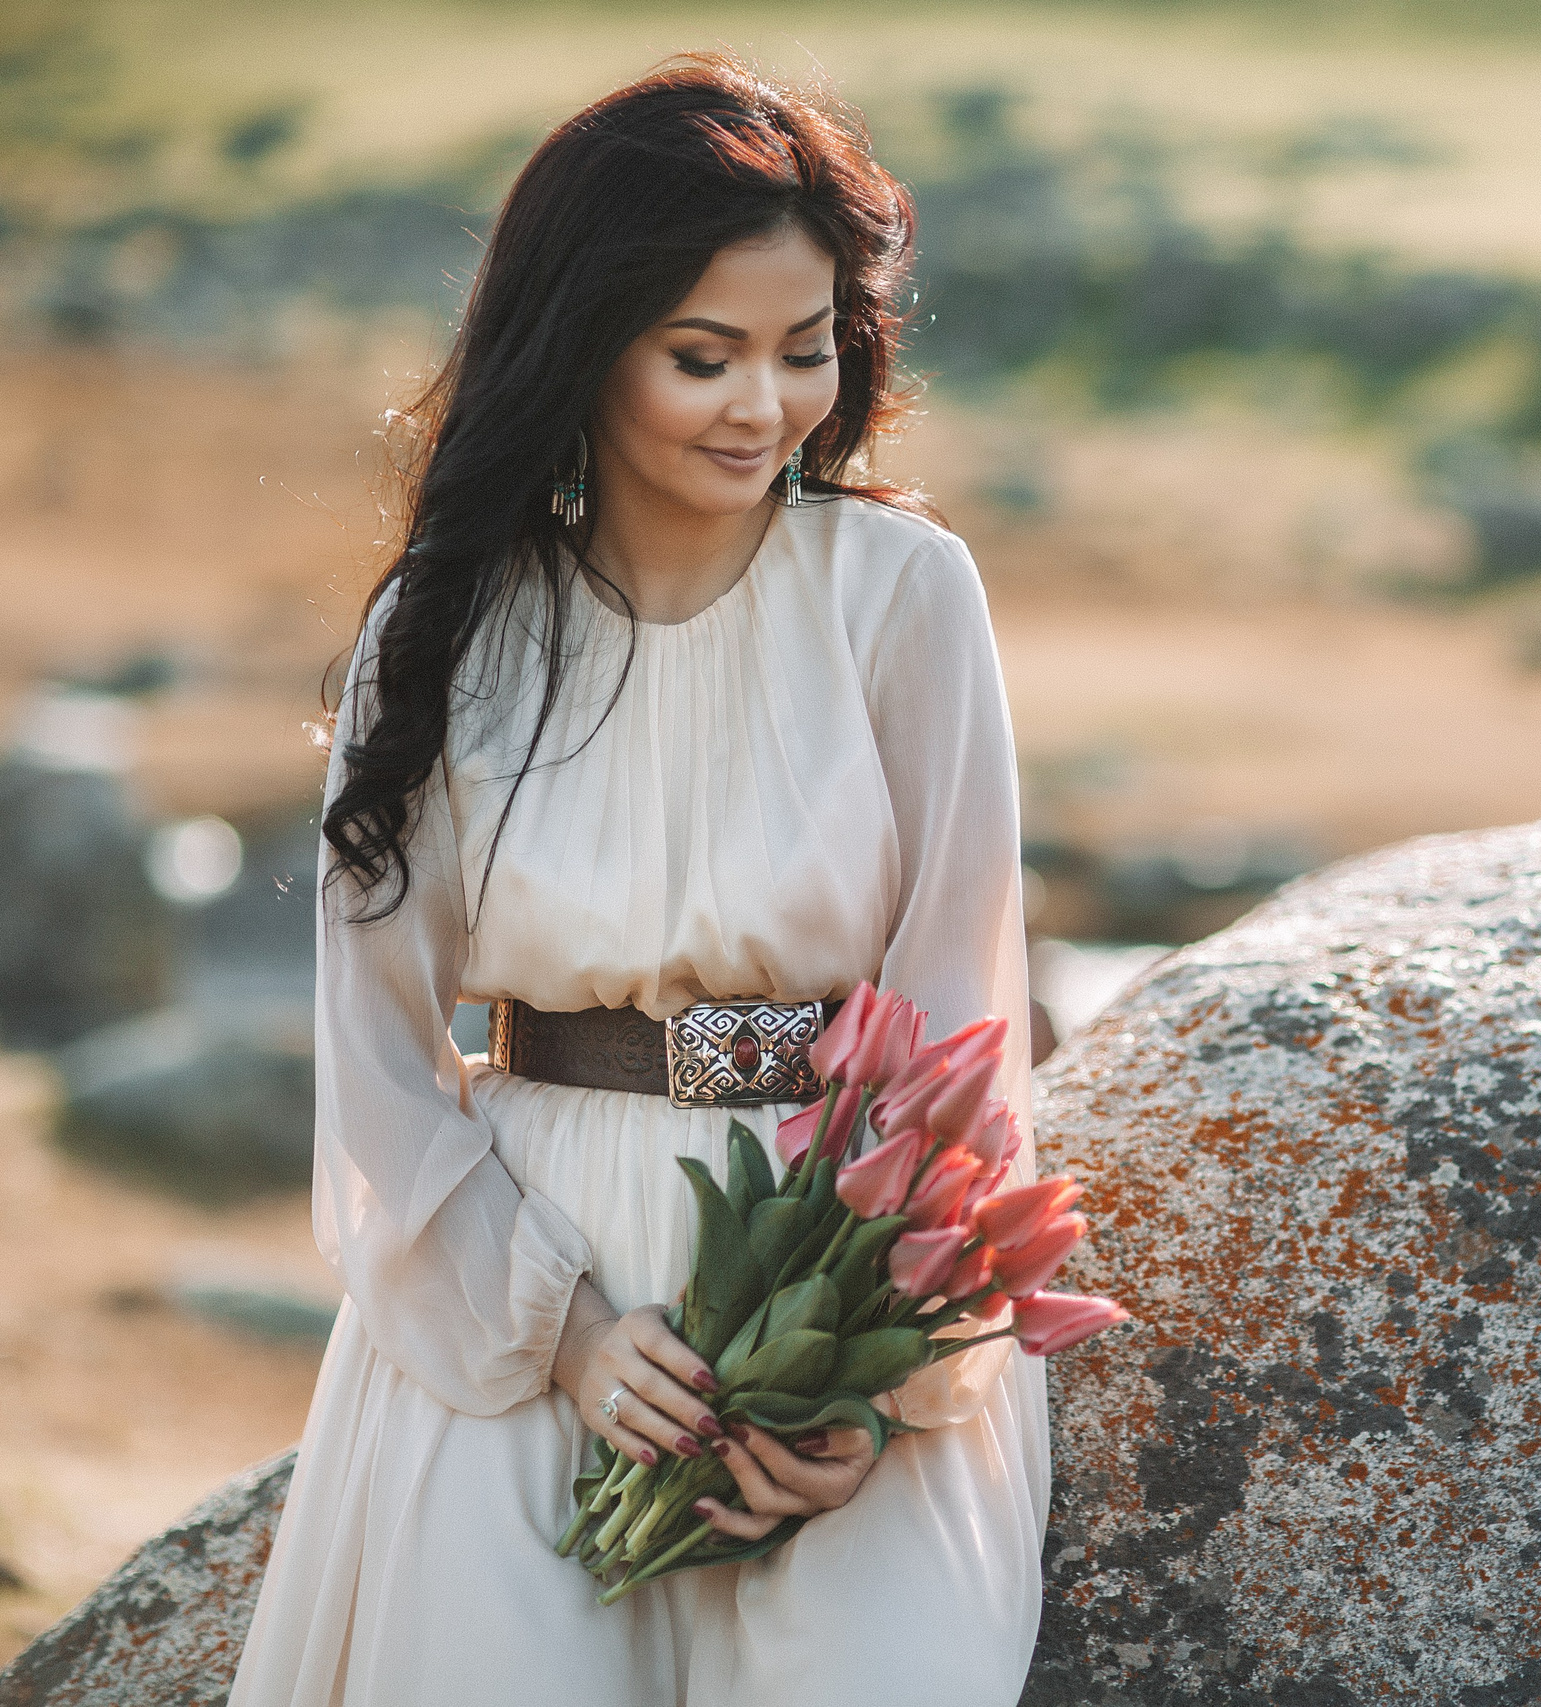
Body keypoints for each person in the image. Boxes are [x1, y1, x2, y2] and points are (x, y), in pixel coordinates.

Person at [229, 55, 1047, 1706]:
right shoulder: (443, 630)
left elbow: (962, 1004)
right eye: (704, 356)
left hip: (842, 1254)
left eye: (804, 349)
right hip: (529, 1284)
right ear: (585, 346)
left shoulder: (901, 595)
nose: (765, 404)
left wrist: (871, 1384)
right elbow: (381, 1057)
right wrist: (567, 1337)